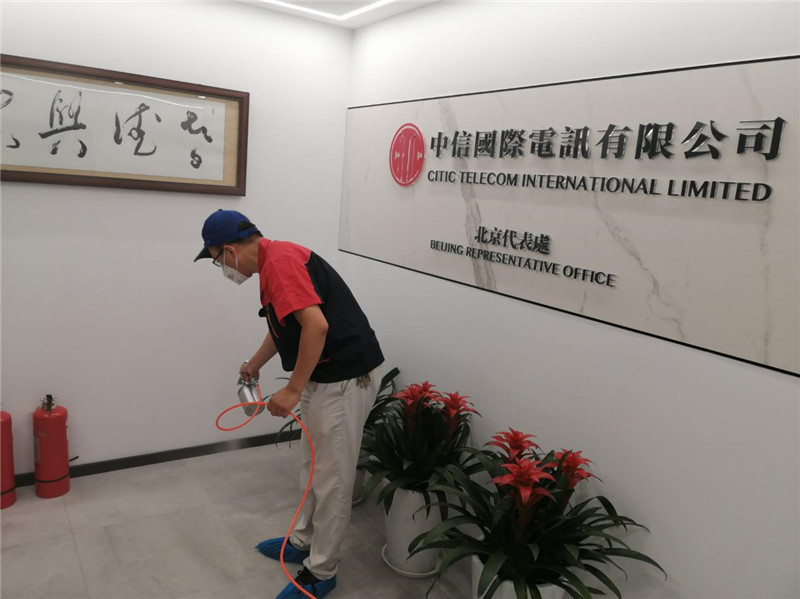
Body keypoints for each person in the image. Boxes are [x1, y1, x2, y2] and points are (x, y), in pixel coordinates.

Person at [195, 209, 384, 599]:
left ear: (229, 250)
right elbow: (285, 326)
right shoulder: (272, 263)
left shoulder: (280, 263)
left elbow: (316, 325)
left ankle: (322, 570)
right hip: (323, 373)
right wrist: (254, 364)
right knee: (312, 464)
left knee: (332, 479)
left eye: (217, 260)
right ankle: (302, 541)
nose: (222, 269)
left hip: (346, 376)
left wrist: (293, 390)